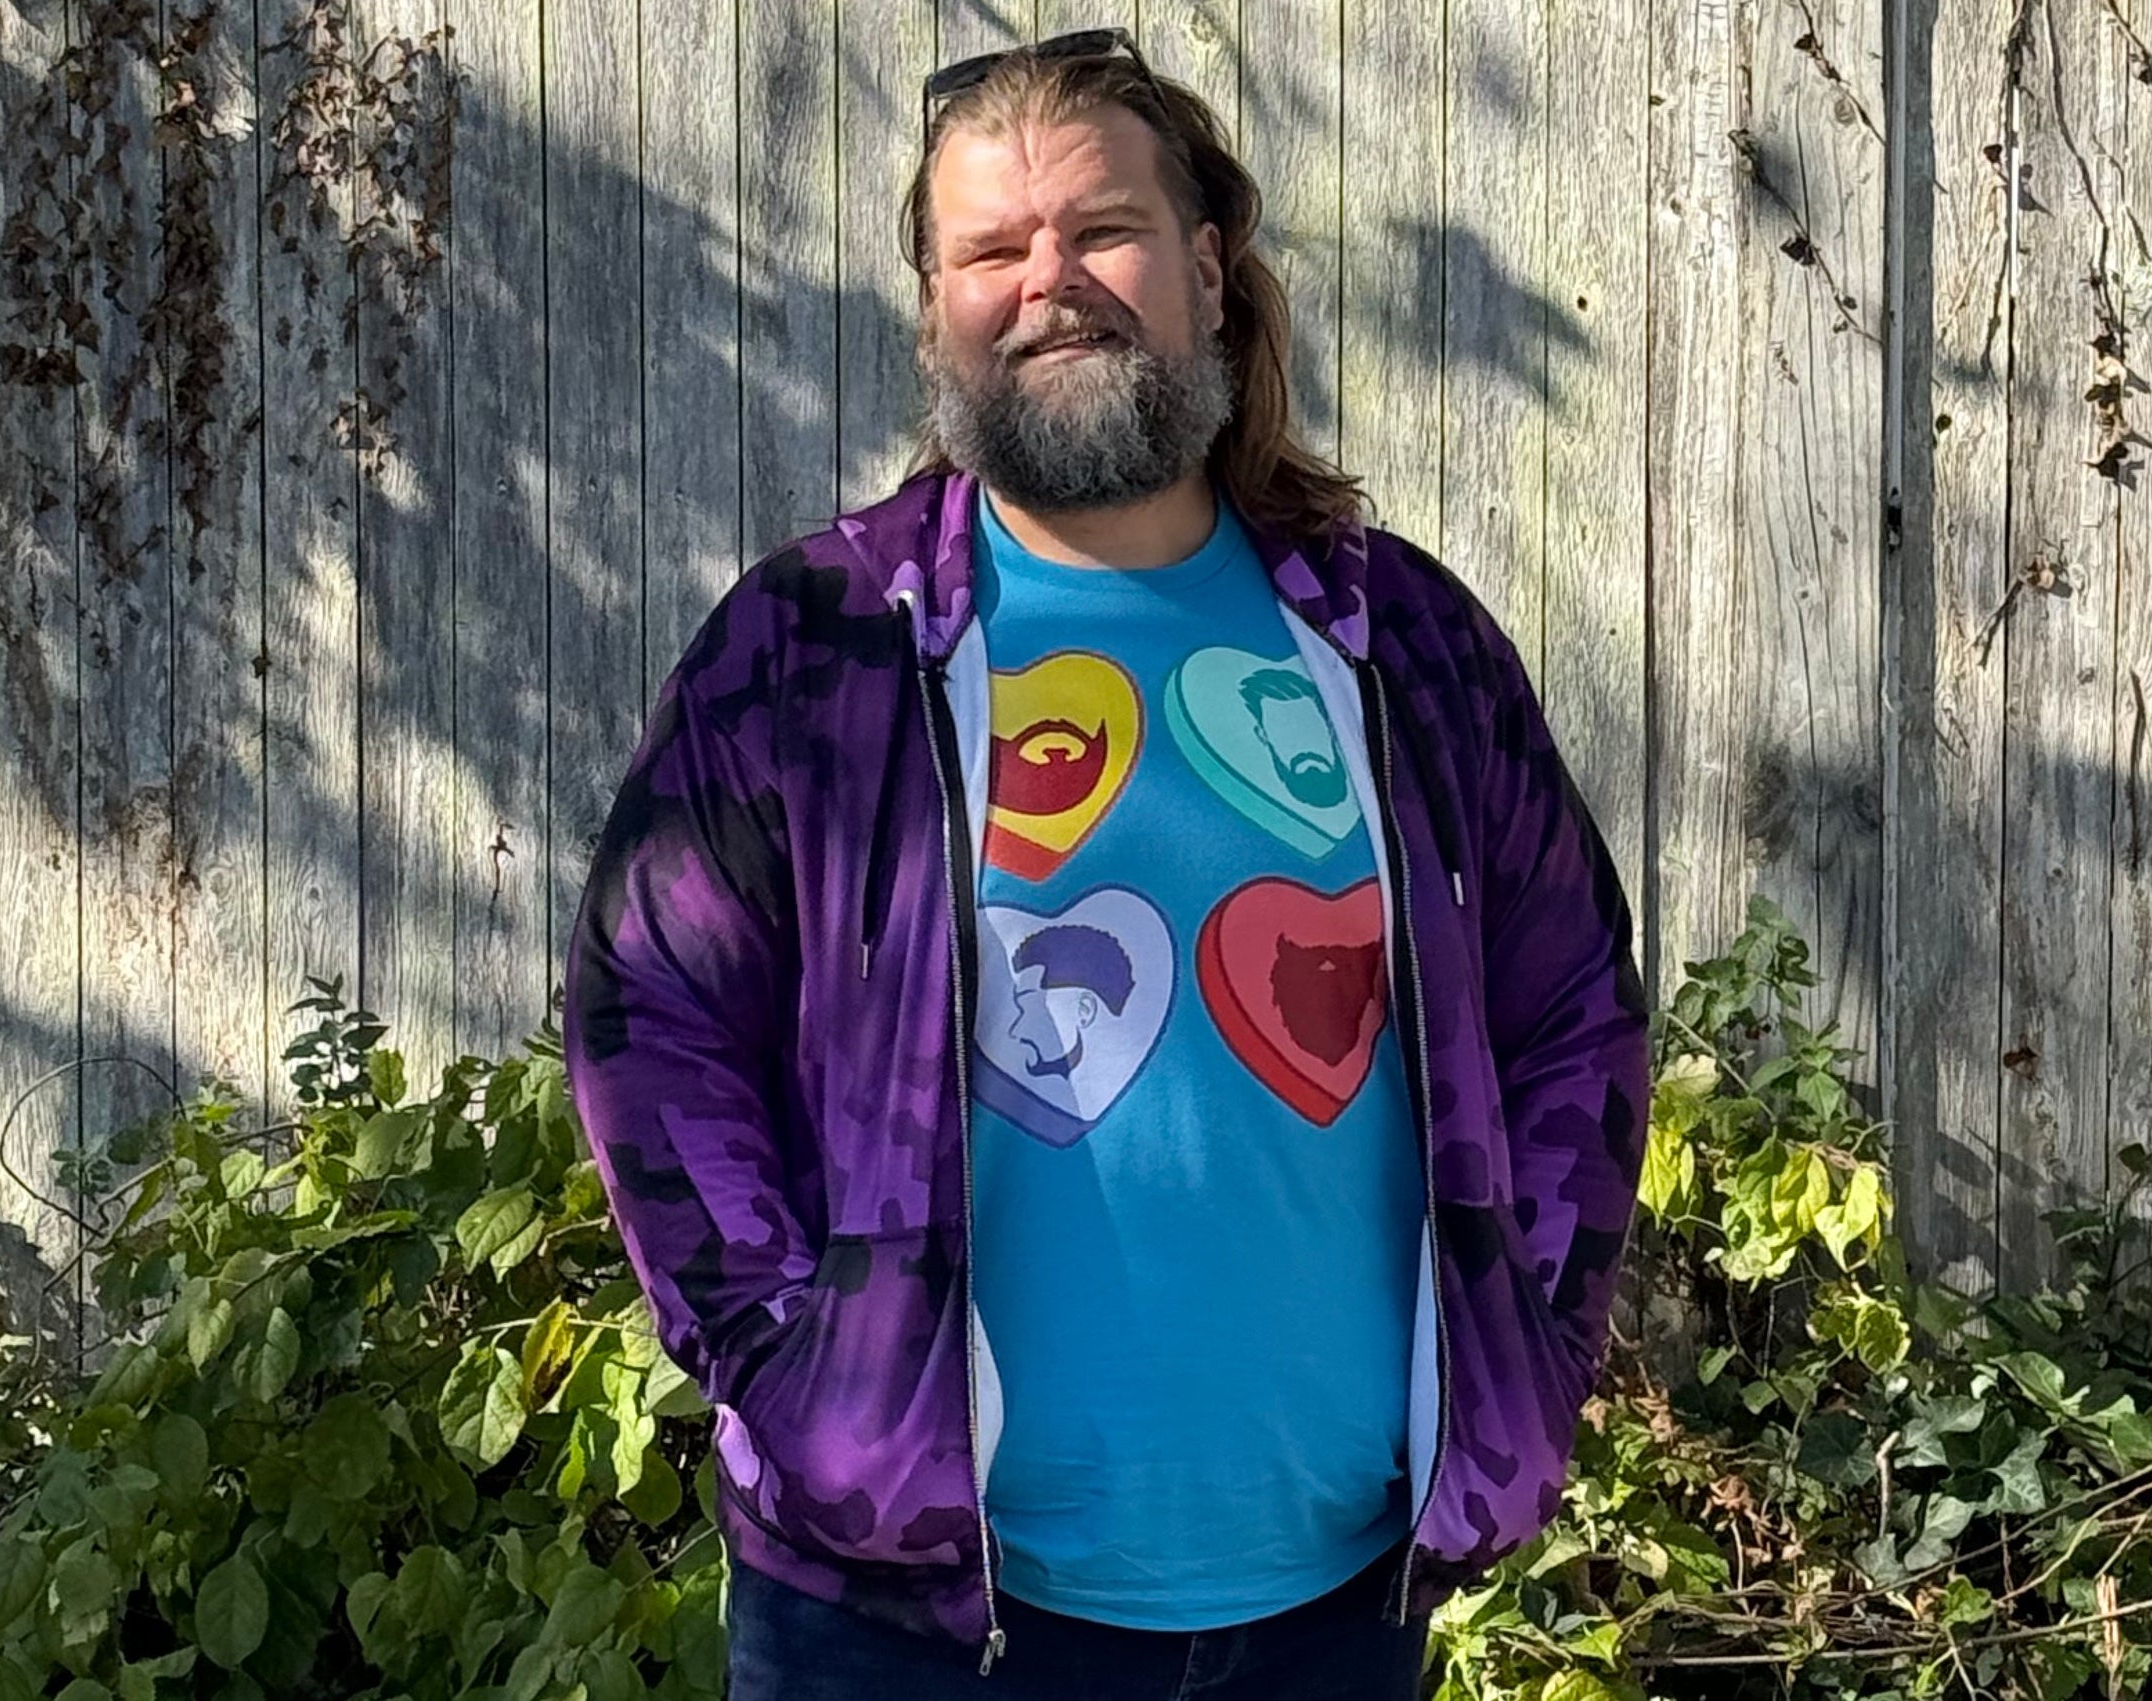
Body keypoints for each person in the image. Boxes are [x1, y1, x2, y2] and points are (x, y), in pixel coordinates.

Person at [562, 27, 1650, 1700]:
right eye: (991, 249)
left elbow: (1572, 997)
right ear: (935, 310)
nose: (1049, 282)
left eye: (1102, 230)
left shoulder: (1396, 644)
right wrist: (805, 1377)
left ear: (1209, 268)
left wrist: (1538, 1335)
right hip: (901, 1622)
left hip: (1333, 1615)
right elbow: (652, 1017)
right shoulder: (820, 653)